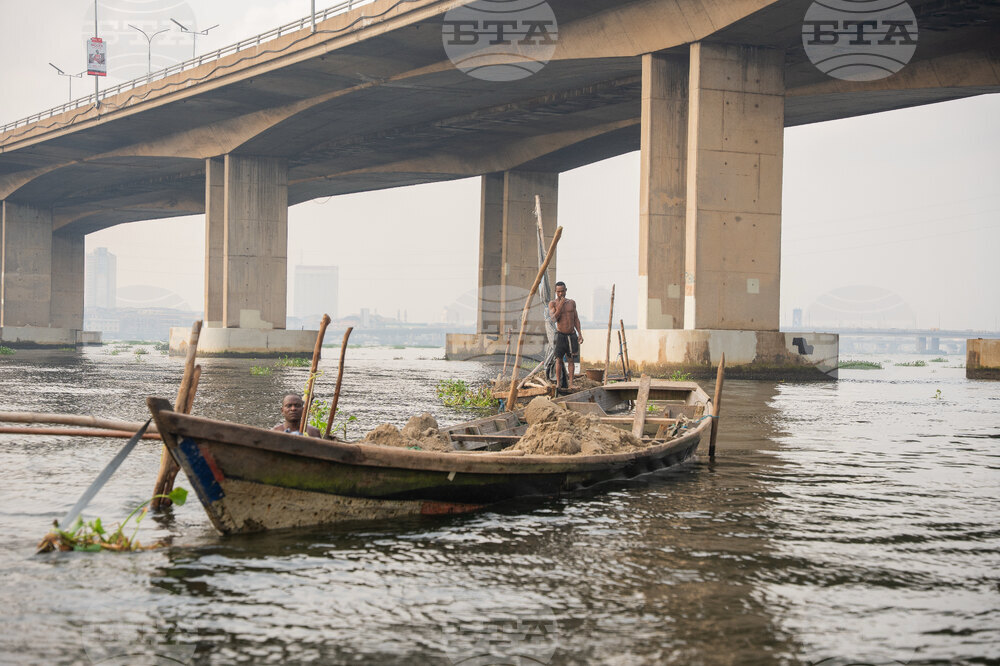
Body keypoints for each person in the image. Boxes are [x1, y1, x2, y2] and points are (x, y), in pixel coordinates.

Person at [548, 281, 583, 390]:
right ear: (555, 292)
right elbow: (554, 319)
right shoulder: (552, 303)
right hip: (560, 335)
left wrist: (580, 334)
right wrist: (561, 304)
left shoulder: (572, 303)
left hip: (571, 335)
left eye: (562, 291)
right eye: (558, 292)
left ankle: (571, 383)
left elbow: (576, 319)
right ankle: (558, 384)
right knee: (558, 359)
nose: (560, 294)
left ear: (566, 290)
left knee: (571, 359)